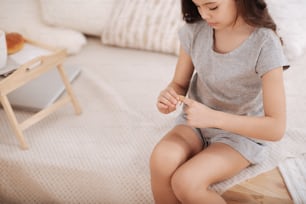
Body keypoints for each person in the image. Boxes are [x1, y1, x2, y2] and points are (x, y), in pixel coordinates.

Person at [150, 0, 289, 203]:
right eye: (198, 6)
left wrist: (213, 118)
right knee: (161, 160)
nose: (204, 15)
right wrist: (168, 95)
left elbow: (276, 128)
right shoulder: (194, 32)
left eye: (212, 7)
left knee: (186, 182)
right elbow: (179, 83)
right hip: (194, 124)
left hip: (241, 135)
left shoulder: (265, 43)